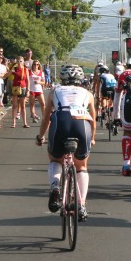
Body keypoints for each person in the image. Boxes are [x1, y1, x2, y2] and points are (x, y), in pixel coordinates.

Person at [36, 65, 96, 221]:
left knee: (55, 159)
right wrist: (93, 138)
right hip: (81, 124)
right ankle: (81, 204)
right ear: (80, 79)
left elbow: (45, 118)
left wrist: (40, 136)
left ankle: (55, 186)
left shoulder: (55, 91)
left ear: (62, 79)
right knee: (81, 166)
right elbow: (93, 120)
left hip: (60, 121)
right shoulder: (87, 93)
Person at [8, 56, 29, 128]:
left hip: (23, 88)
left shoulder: (25, 69)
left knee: (23, 106)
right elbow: (7, 75)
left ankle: (25, 123)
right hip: (15, 88)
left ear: (23, 62)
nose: (19, 63)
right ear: (16, 62)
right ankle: (13, 123)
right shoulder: (15, 69)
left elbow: (28, 81)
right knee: (14, 106)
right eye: (18, 61)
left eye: (21, 61)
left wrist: (28, 90)